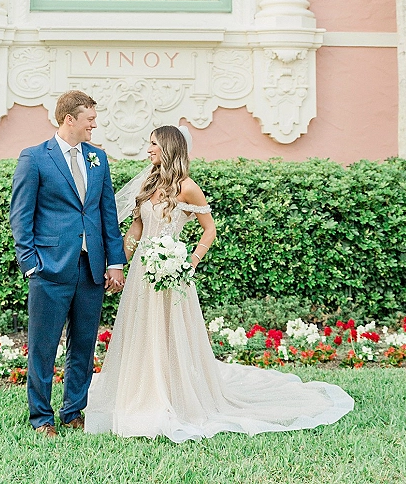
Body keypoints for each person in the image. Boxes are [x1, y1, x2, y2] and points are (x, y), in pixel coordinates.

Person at [85, 125, 354, 442]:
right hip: (141, 274)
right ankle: (139, 392)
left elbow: (208, 230)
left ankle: (172, 395)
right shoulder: (148, 183)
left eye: (154, 144)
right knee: (141, 330)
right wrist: (120, 262)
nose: (148, 150)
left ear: (169, 148)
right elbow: (137, 229)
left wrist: (188, 263)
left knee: (169, 334)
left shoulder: (187, 188)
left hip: (172, 275)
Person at [10, 90, 126, 437]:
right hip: (49, 268)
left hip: (91, 268)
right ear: (69, 119)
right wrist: (30, 263)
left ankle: (74, 410)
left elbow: (107, 213)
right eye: (89, 119)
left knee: (84, 344)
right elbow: (21, 215)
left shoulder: (97, 159)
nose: (94, 124)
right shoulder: (34, 158)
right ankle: (41, 417)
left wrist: (115, 262)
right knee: (44, 347)